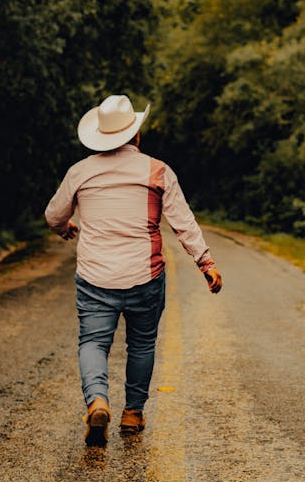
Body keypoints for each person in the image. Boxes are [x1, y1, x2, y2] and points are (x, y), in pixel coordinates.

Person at [45, 94, 222, 445]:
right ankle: (132, 413)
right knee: (141, 344)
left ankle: (97, 400)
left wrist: (66, 228)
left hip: (95, 277)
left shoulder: (80, 171)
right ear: (136, 135)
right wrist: (205, 261)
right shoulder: (157, 170)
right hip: (145, 276)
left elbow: (53, 215)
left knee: (94, 341)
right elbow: (182, 222)